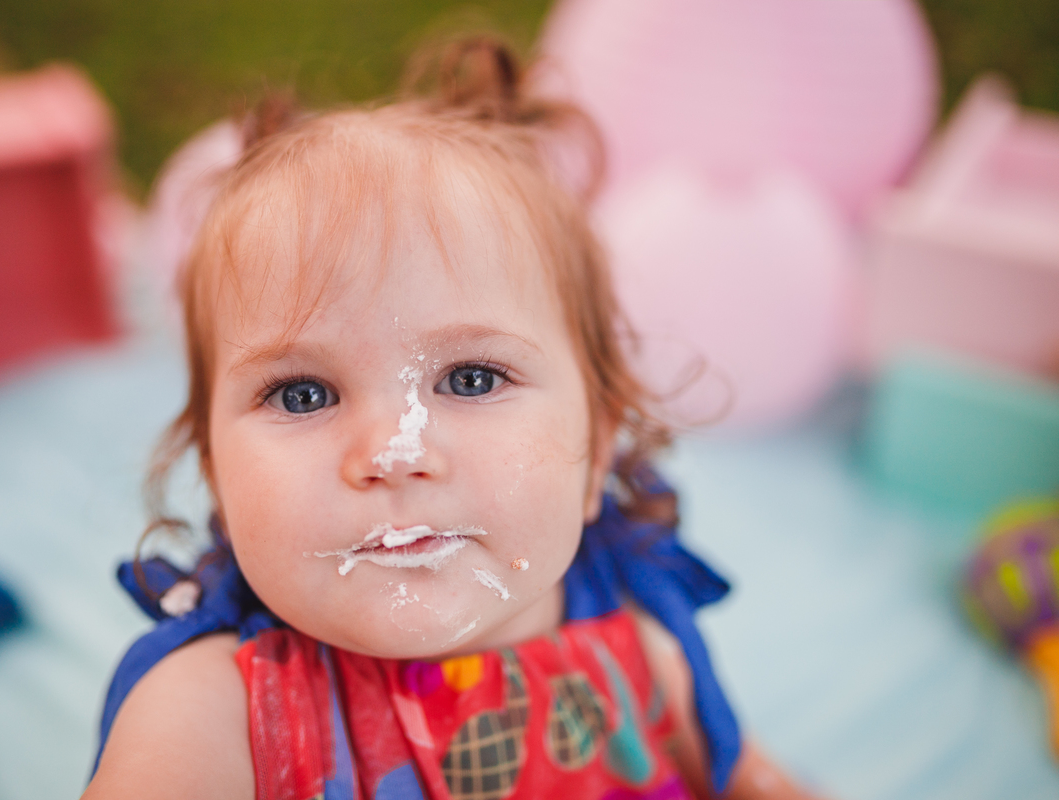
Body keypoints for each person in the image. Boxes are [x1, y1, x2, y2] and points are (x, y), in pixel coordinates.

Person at [84, 38, 822, 800]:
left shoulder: (638, 646)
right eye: (304, 394)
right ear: (214, 469)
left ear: (598, 449)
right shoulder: (210, 716)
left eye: (470, 379)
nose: (393, 452)